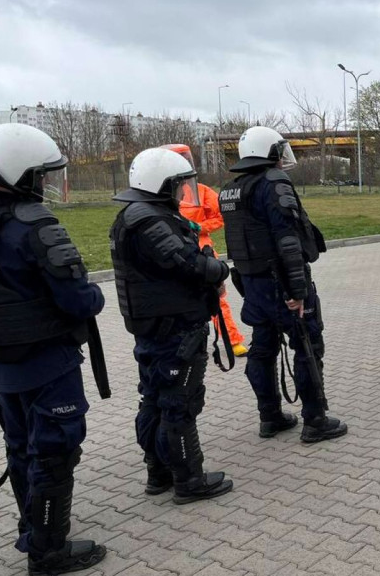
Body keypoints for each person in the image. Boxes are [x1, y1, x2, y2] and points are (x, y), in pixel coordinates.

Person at [0, 124, 107, 576]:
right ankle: (49, 551)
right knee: (54, 448)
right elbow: (76, 299)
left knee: (20, 444)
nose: (45, 183)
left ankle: (33, 523)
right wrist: (95, 296)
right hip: (46, 358)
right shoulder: (34, 224)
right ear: (19, 172)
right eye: (41, 174)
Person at [110, 148, 234, 504]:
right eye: (179, 185)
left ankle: (159, 471)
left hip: (156, 327)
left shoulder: (136, 215)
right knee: (179, 402)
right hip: (175, 329)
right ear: (161, 184)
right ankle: (189, 480)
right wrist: (217, 268)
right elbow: (189, 264)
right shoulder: (150, 221)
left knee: (154, 399)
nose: (183, 191)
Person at [220, 126, 347, 443]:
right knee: (307, 345)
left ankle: (270, 417)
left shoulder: (232, 189)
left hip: (253, 286)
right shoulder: (274, 183)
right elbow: (288, 241)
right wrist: (297, 291)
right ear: (270, 152)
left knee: (263, 349)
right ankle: (315, 421)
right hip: (281, 285)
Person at [164, 145, 248, 357]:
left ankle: (231, 339)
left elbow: (220, 216)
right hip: (171, 251)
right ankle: (180, 345)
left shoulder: (201, 191)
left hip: (201, 250)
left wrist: (200, 227)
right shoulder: (160, 194)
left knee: (216, 297)